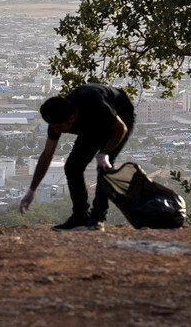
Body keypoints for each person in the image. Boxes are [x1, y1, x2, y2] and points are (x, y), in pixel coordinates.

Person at [19, 83, 135, 231]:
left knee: (104, 167)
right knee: (73, 166)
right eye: (53, 127)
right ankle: (80, 218)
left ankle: (98, 218)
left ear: (72, 119)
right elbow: (47, 155)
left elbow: (121, 129)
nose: (56, 131)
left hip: (119, 117)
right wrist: (31, 190)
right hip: (91, 124)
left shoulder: (96, 104)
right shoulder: (58, 117)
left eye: (59, 128)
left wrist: (104, 154)